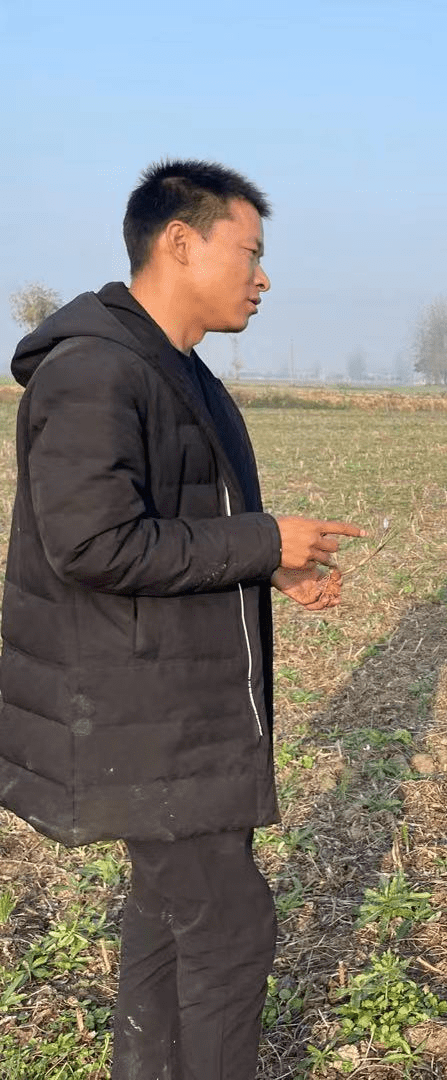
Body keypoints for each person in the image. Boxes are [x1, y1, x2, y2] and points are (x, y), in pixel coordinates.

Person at [0, 160, 363, 1080]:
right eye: (251, 252)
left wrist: (269, 567)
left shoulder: (174, 369)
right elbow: (92, 543)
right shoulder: (94, 371)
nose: (263, 276)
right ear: (180, 242)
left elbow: (173, 526)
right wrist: (260, 541)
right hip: (143, 719)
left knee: (169, 923)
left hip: (180, 716)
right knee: (232, 931)